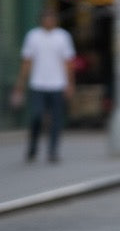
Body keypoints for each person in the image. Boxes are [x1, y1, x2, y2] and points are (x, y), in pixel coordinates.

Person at [12, 9, 77, 163]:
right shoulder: (33, 36)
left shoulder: (63, 37)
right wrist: (20, 85)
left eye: (51, 18)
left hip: (57, 84)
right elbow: (27, 62)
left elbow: (68, 63)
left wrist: (70, 84)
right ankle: (33, 146)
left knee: (56, 119)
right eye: (46, 18)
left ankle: (52, 151)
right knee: (36, 116)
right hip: (38, 84)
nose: (49, 21)